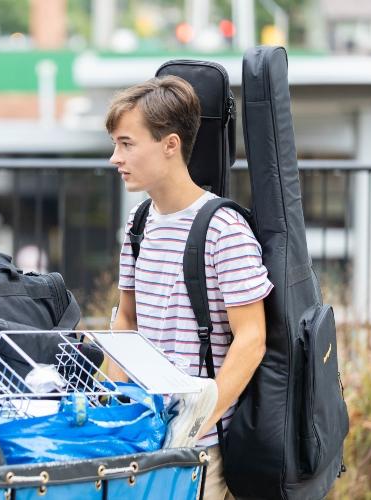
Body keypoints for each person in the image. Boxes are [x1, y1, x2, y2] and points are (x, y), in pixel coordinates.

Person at [105, 75, 273, 499]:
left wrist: (196, 421)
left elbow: (251, 339)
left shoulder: (224, 229)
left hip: (199, 450)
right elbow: (126, 318)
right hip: (141, 440)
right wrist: (115, 403)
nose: (115, 158)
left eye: (127, 144)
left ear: (170, 145)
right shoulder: (138, 225)